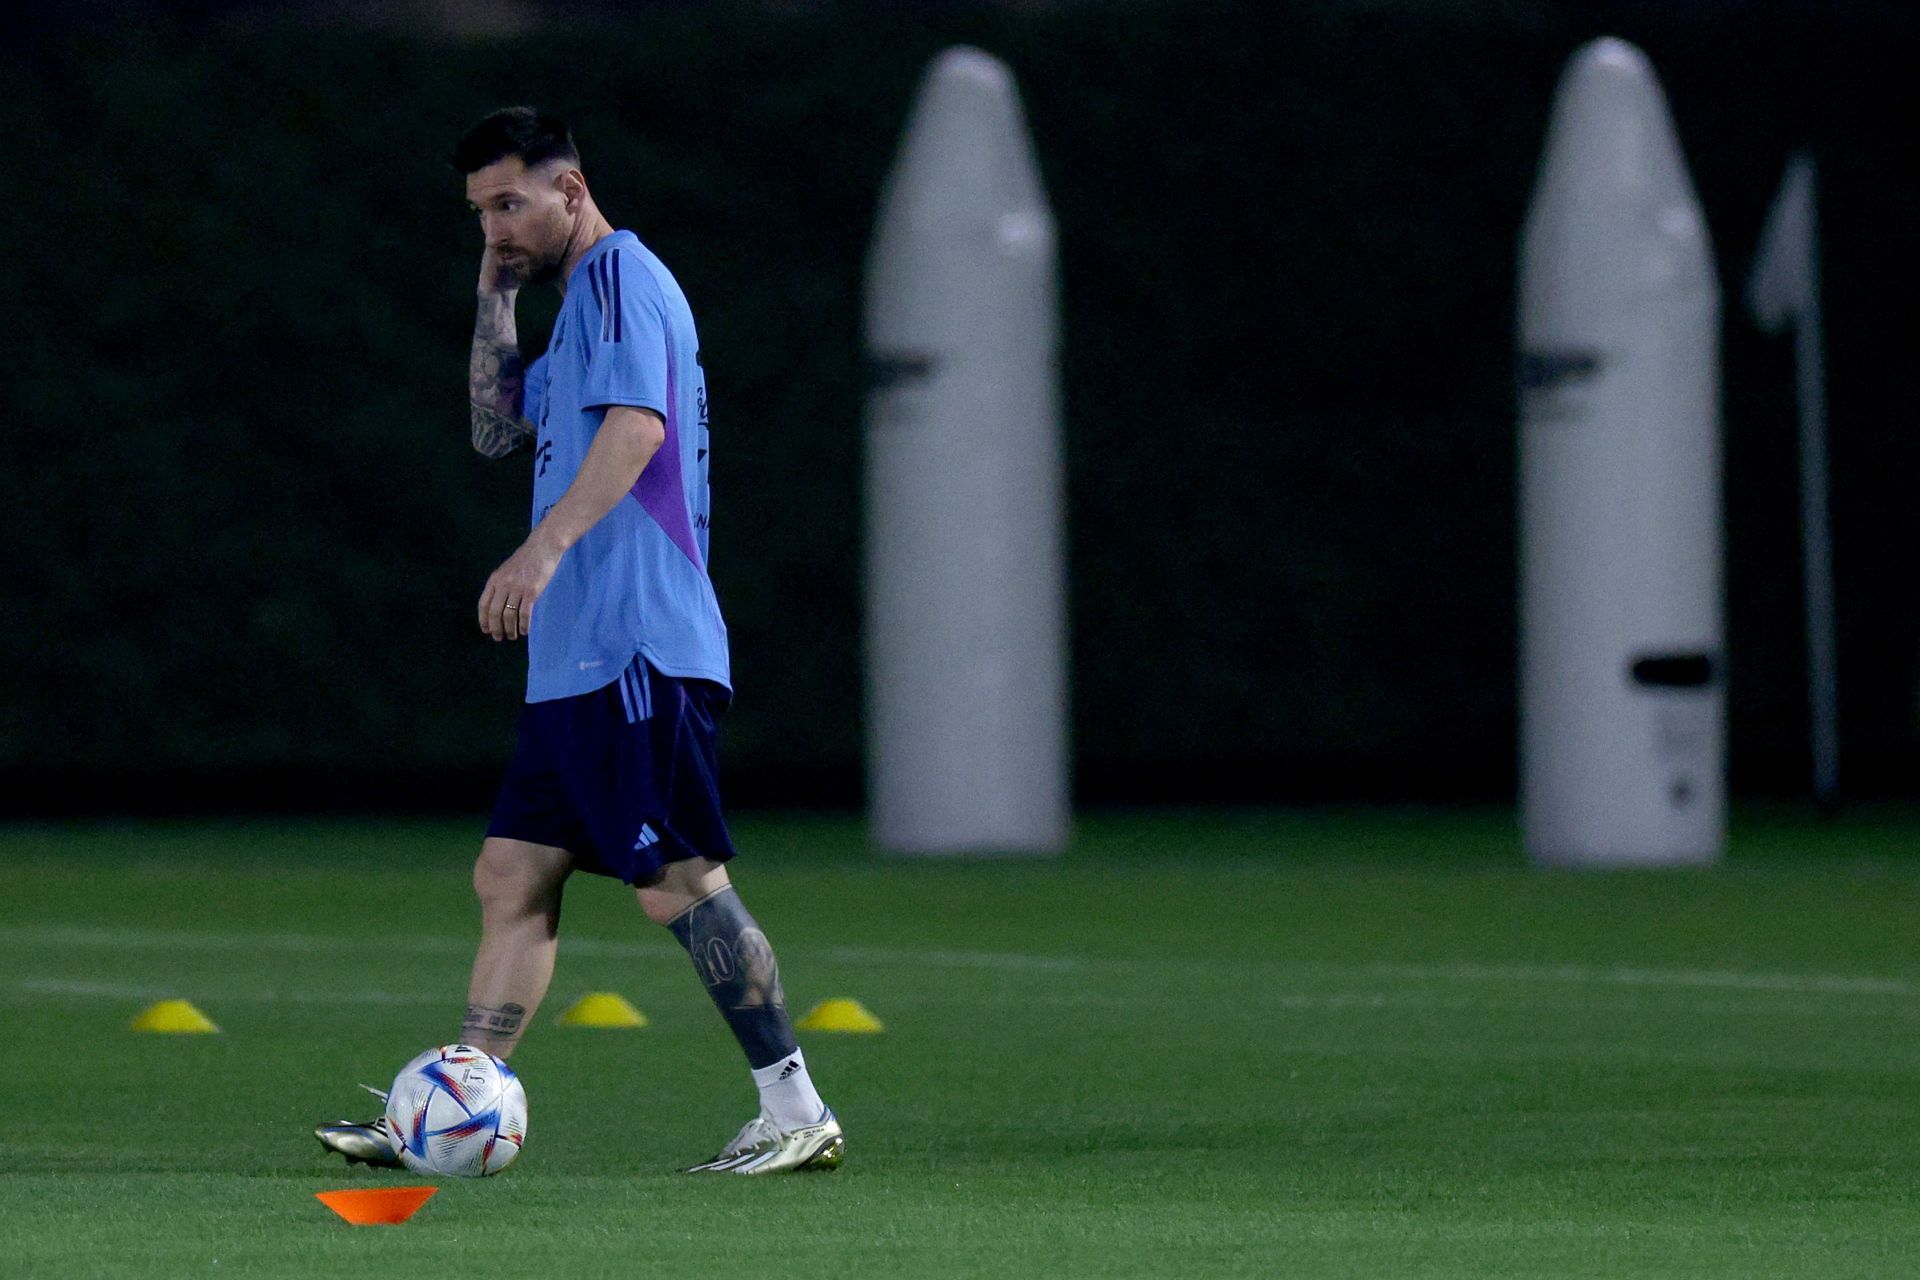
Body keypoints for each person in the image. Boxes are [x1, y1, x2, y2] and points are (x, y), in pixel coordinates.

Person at [315, 107, 842, 1175]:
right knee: (512, 870)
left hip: (634, 642)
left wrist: (540, 551)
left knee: (678, 877)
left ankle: (796, 1108)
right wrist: (493, 293)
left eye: (511, 204)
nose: (497, 227)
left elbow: (638, 427)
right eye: (480, 213)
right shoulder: (570, 317)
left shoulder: (617, 278)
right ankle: (452, 1104)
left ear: (570, 187)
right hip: (578, 659)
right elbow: (498, 425)